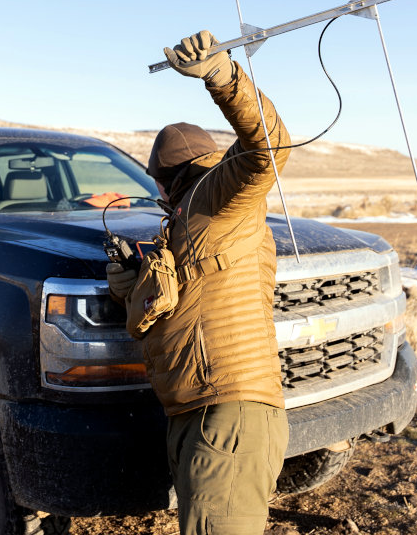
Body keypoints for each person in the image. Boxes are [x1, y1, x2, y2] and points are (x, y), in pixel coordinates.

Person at [108, 29, 291, 535]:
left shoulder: (219, 198)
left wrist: (222, 76)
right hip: (201, 412)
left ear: (165, 179)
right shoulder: (191, 220)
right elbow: (185, 301)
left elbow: (268, 148)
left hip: (229, 410)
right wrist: (132, 285)